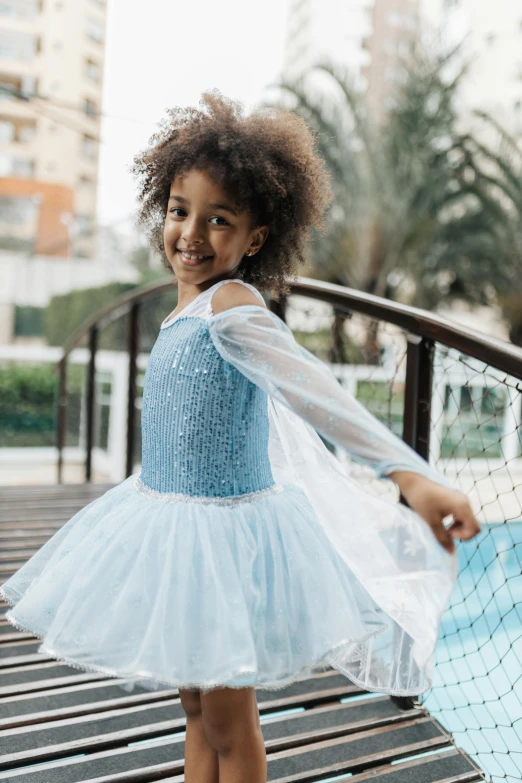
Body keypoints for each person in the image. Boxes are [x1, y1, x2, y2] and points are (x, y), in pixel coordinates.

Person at [0, 92, 481, 783]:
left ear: (254, 239)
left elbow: (314, 392)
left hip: (221, 546)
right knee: (195, 705)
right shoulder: (185, 307)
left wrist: (408, 474)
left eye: (218, 220)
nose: (191, 234)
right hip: (172, 530)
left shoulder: (232, 307)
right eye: (178, 210)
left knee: (230, 719)